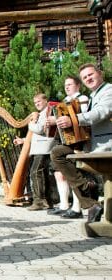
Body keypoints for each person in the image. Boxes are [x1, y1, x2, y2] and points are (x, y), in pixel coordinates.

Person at [51, 63, 112, 223]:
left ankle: (89, 194)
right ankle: (89, 196)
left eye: (91, 74)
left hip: (106, 145)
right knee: (58, 152)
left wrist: (73, 119)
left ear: (100, 74)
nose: (88, 78)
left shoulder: (109, 90)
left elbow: (101, 113)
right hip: (91, 143)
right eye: (85, 77)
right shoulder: (92, 96)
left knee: (59, 153)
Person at [47, 76, 89, 219]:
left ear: (78, 85)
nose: (67, 87)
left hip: (78, 142)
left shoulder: (82, 99)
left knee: (72, 172)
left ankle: (77, 208)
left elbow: (84, 118)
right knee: (59, 173)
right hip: (63, 140)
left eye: (70, 84)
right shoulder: (63, 102)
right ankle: (64, 204)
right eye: (65, 85)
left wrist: (57, 120)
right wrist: (53, 122)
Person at [13, 93, 58, 211]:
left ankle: (39, 201)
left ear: (45, 100)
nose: (37, 104)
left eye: (39, 101)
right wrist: (23, 140)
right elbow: (37, 134)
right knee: (42, 173)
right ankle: (47, 201)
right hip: (40, 147)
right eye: (35, 103)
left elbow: (40, 129)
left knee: (35, 172)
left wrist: (30, 123)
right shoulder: (41, 114)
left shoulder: (48, 111)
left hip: (44, 148)